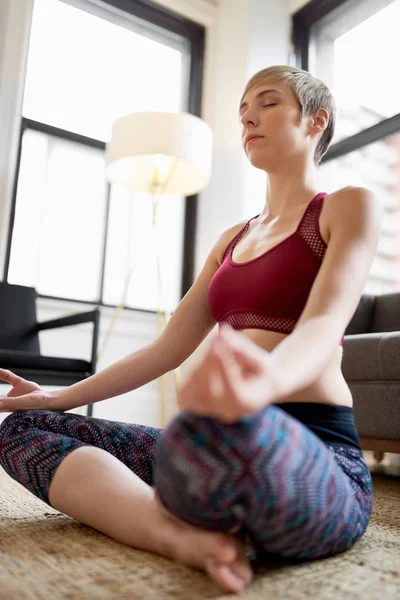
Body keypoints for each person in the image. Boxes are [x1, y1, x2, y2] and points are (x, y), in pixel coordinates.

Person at [0, 65, 382, 594]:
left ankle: (219, 488)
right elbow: (166, 349)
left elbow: (322, 326)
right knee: (19, 432)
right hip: (210, 448)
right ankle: (174, 534)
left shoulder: (347, 206)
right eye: (243, 110)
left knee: (214, 437)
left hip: (316, 453)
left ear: (316, 120)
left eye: (267, 103)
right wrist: (57, 398)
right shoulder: (231, 239)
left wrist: (257, 391)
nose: (249, 116)